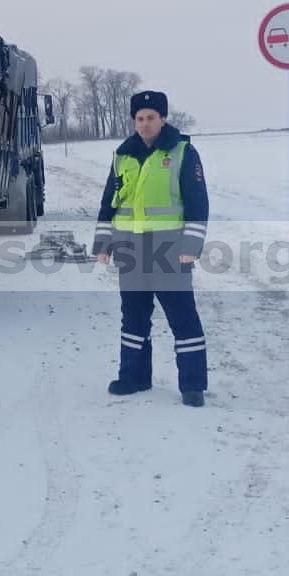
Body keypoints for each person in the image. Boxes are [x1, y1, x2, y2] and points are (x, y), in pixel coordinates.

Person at [92, 89, 209, 407]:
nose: (144, 124)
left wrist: (191, 246)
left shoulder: (183, 152)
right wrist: (102, 243)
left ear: (163, 119)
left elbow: (198, 204)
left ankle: (193, 385)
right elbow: (109, 202)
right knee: (133, 316)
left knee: (182, 317)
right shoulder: (122, 155)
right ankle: (133, 377)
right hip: (130, 249)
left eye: (151, 118)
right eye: (139, 118)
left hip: (169, 249)